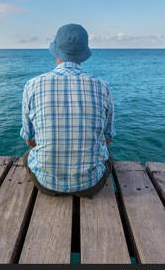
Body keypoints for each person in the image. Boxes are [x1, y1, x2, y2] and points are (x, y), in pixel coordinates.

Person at [20, 23, 115, 198]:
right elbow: (107, 138)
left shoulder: (32, 85)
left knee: (27, 155)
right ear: (84, 54)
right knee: (109, 157)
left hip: (46, 184)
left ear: (56, 50)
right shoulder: (103, 87)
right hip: (91, 185)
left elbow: (29, 139)